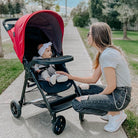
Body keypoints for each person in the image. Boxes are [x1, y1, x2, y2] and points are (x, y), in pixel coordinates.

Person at [57, 22, 132, 132]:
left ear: (97, 36)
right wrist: (70, 77)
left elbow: (111, 87)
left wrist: (96, 99)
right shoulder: (105, 53)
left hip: (119, 98)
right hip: (117, 93)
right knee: (81, 89)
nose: (87, 36)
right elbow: (93, 79)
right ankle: (112, 112)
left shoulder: (108, 55)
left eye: (89, 33)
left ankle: (115, 114)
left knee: (77, 103)